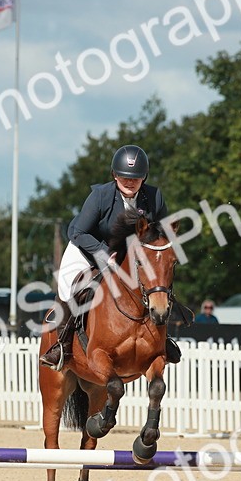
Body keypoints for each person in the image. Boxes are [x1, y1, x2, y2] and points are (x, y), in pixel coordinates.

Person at [40, 144, 182, 370]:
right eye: (124, 177)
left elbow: (161, 234)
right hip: (88, 247)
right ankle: (62, 346)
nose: (130, 182)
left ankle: (161, 340)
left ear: (144, 177)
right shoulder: (101, 196)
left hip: (129, 254)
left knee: (158, 279)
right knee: (67, 286)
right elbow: (78, 232)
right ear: (115, 175)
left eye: (135, 178)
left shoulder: (154, 197)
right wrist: (104, 254)